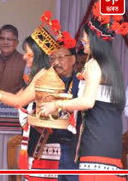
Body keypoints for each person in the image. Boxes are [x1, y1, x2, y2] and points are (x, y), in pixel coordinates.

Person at [0, 11, 76, 180]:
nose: (24, 57)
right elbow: (15, 97)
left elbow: (19, 100)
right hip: (40, 144)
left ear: (39, 55)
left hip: (47, 147)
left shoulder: (44, 74)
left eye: (29, 53)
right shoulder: (37, 75)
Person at [40, 0, 128, 181]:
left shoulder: (94, 64)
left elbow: (87, 101)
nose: (83, 41)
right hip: (111, 142)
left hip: (95, 141)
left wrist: (56, 104)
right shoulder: (113, 67)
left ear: (95, 39)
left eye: (86, 37)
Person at [49, 45, 80, 181]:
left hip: (73, 148)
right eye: (52, 58)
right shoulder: (47, 84)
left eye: (60, 58)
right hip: (51, 146)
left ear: (73, 59)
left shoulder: (82, 84)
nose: (56, 62)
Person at [0, 24, 26, 93]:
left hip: (16, 103)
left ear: (16, 43)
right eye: (2, 39)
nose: (5, 42)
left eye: (9, 39)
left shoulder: (24, 62)